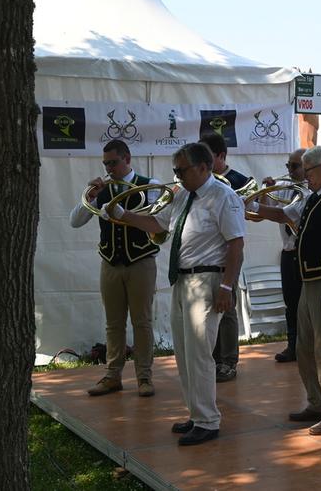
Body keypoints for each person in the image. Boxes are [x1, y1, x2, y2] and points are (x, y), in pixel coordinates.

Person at [102, 142, 245, 445]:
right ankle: (196, 414)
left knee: (199, 353)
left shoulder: (223, 196)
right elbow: (157, 223)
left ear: (204, 167)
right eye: (175, 171)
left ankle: (207, 420)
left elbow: (236, 245)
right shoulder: (183, 196)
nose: (177, 176)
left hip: (208, 279)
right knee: (183, 351)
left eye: (182, 170)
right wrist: (122, 214)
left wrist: (227, 287)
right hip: (183, 280)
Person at [249, 145, 321, 436]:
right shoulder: (313, 197)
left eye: (307, 171)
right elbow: (285, 214)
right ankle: (317, 403)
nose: (304, 176)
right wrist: (253, 206)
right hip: (309, 282)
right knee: (304, 347)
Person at [69, 139, 159, 398]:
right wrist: (91, 195)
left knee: (142, 322)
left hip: (141, 261)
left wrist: (123, 215)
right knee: (113, 323)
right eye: (106, 163)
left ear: (127, 159)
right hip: (109, 262)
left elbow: (157, 222)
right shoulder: (102, 190)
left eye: (113, 162)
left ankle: (144, 376)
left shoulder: (149, 185)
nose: (109, 168)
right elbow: (75, 221)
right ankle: (112, 376)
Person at [200, 133, 246, 382]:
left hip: (229, 252)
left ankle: (229, 361)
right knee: (209, 308)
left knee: (227, 307)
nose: (203, 163)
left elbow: (251, 213)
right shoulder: (200, 181)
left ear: (220, 156)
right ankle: (215, 359)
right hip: (205, 256)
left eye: (207, 158)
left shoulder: (238, 180)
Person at [261, 148, 306, 363]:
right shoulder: (285, 189)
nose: (289, 170)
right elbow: (263, 211)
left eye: (294, 166)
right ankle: (293, 345)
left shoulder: (309, 191)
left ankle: (308, 346)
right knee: (291, 302)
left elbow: (281, 216)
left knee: (307, 304)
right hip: (288, 252)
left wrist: (252, 204)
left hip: (306, 253)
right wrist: (264, 191)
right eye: (288, 165)